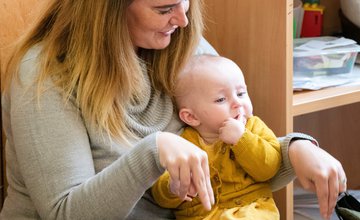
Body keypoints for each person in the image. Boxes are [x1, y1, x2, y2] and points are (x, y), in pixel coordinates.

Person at [0, 0, 346, 219]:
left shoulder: (179, 43)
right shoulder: (44, 75)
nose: (181, 19)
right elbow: (64, 214)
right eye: (164, 8)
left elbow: (235, 155)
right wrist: (153, 153)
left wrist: (296, 150)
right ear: (107, 9)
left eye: (185, 2)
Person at [152, 54, 282, 219]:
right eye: (221, 99)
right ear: (191, 117)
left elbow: (270, 168)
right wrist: (173, 187)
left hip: (251, 209)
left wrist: (242, 139)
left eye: (241, 93)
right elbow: (160, 194)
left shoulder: (252, 127)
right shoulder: (184, 143)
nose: (237, 103)